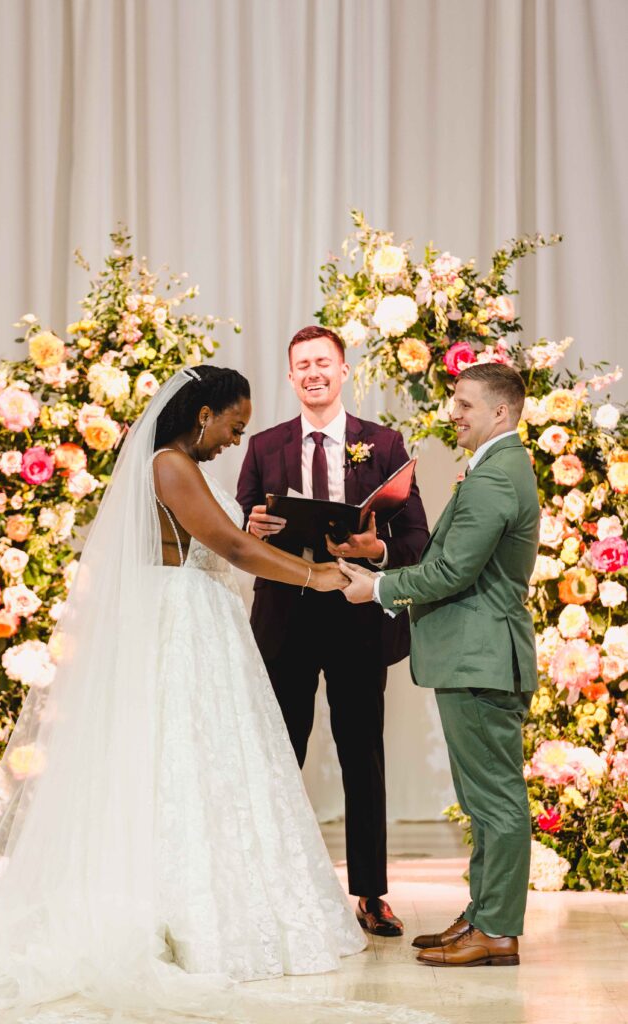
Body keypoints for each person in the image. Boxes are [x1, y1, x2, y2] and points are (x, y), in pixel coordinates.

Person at [0, 366, 382, 1021]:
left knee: (205, 761)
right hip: (180, 620)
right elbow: (230, 545)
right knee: (178, 757)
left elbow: (220, 539)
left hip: (195, 616)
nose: (232, 443)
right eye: (232, 428)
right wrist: (317, 576)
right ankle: (182, 911)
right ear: (202, 412)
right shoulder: (169, 464)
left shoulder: (178, 462)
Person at [339, 362, 540, 967]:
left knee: (497, 802)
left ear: (500, 412)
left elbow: (453, 570)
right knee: (483, 801)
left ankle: (498, 929)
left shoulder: (496, 477)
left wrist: (375, 587)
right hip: (472, 657)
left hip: (480, 658)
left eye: (465, 404)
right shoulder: (497, 468)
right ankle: (483, 913)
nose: (453, 413)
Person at [237, 326, 429, 937]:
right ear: (290, 378)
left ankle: (371, 893)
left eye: (324, 361)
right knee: (279, 752)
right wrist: (255, 525)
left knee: (361, 755)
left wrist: (379, 547)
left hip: (356, 613)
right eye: (302, 365)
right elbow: (240, 527)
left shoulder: (384, 442)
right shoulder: (265, 445)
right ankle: (271, 884)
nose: (313, 372)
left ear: (344, 370)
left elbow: (417, 539)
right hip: (285, 616)